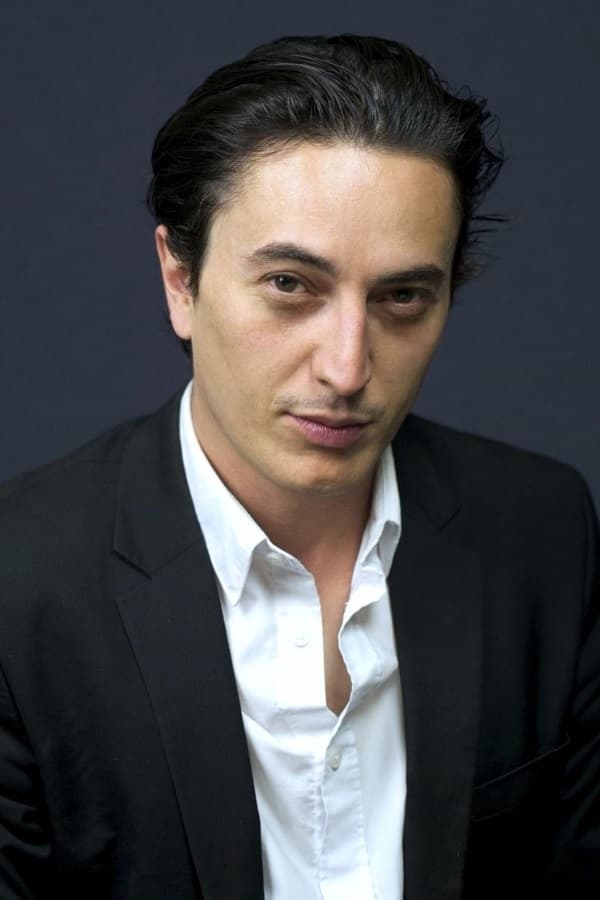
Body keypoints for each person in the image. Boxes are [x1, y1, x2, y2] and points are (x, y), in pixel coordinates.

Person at [0, 33, 598, 900]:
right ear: (180, 280)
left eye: (402, 297)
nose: (348, 369)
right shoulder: (20, 582)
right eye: (290, 284)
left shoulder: (544, 532)